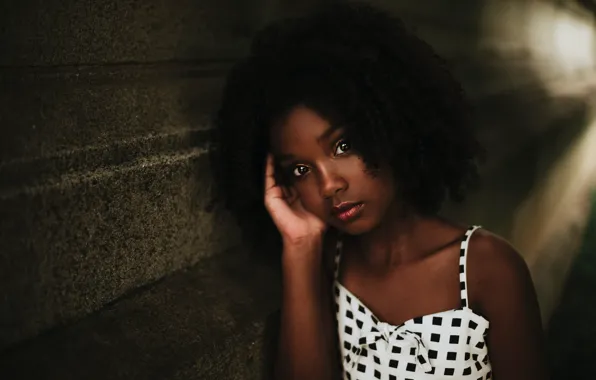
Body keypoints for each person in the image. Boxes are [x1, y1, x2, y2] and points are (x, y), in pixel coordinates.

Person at [210, 2, 548, 379]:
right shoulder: (324, 266)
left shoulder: (487, 268)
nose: (329, 185)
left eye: (343, 146)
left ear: (390, 127)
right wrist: (301, 248)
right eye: (301, 169)